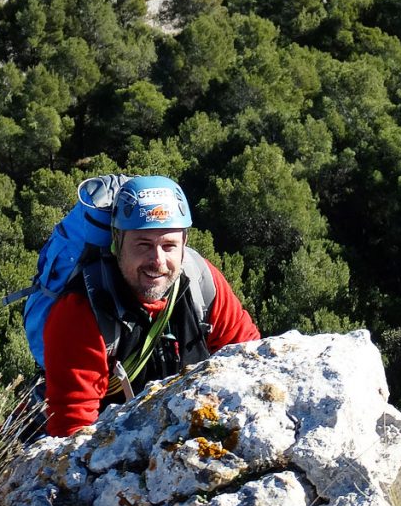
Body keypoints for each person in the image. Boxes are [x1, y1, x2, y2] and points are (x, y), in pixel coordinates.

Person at [43, 175, 259, 436]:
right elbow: (73, 427)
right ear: (117, 242)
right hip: (114, 447)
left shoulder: (202, 280)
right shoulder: (82, 310)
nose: (157, 260)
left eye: (169, 246)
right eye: (143, 245)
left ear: (184, 245)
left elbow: (249, 359)